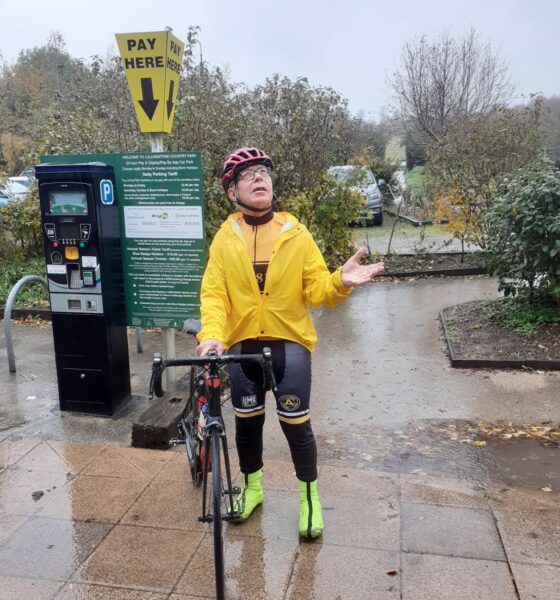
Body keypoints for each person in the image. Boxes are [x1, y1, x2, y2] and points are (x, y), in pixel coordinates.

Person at [196, 147, 384, 539]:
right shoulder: (224, 239)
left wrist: (339, 281)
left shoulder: (295, 233)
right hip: (243, 346)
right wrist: (211, 335)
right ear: (231, 192)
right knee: (247, 425)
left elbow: (317, 290)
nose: (258, 177)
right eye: (246, 174)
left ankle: (310, 498)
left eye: (263, 171)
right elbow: (214, 295)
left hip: (290, 344)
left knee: (297, 426)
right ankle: (252, 489)